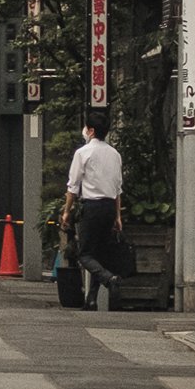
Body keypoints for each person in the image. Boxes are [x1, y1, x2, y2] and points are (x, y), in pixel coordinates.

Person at [64, 110, 132, 313]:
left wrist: (67, 211)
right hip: (110, 207)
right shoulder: (115, 154)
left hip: (91, 207)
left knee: (84, 254)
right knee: (99, 254)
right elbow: (118, 188)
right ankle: (91, 299)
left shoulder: (82, 153)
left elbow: (73, 186)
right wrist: (118, 216)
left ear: (91, 131)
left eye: (86, 128)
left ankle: (108, 279)